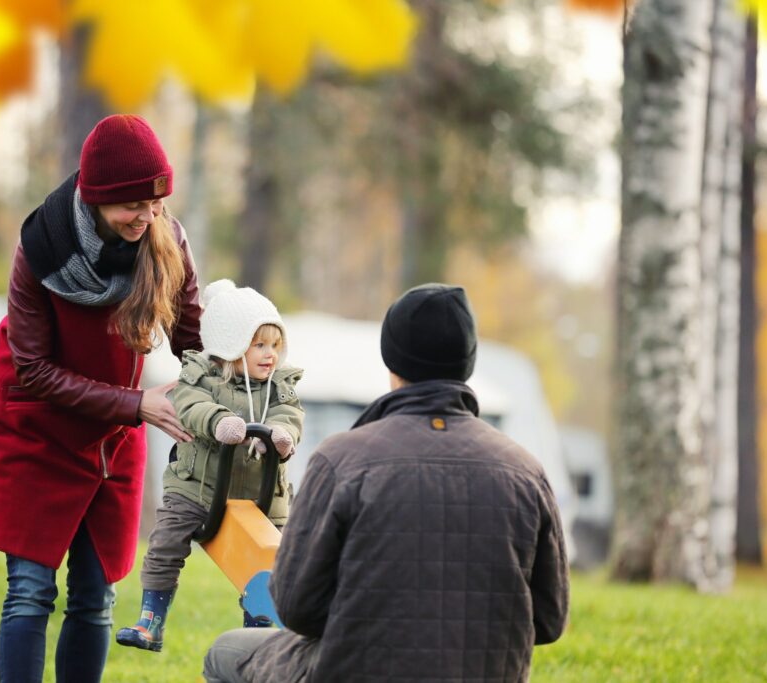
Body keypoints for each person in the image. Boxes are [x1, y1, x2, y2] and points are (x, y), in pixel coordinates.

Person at [202, 283, 570, 683]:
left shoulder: (341, 460)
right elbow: (549, 621)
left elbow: (296, 608)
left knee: (226, 653)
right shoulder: (526, 472)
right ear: (468, 361)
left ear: (391, 359)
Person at [0, 114, 203, 683]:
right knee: (30, 591)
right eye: (133, 206)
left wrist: (224, 388)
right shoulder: (41, 247)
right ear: (96, 198)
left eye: (156, 204)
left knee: (96, 597)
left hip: (111, 438)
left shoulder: (165, 239)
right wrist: (136, 405)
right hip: (35, 426)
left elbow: (194, 337)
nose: (147, 216)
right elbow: (32, 369)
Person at [116, 279, 305, 653]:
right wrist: (218, 420)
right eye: (259, 344)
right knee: (166, 542)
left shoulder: (279, 385)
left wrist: (283, 434)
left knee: (277, 560)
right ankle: (151, 620)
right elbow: (190, 405)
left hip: (263, 495)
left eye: (274, 345)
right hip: (199, 488)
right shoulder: (199, 376)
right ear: (232, 346)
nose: (270, 354)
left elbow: (290, 413)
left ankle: (260, 633)